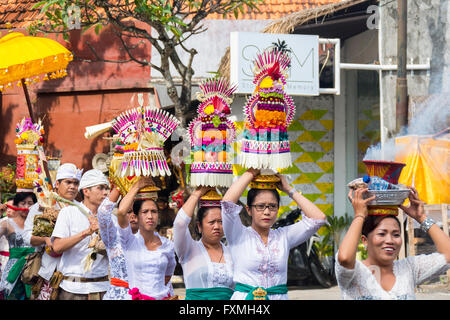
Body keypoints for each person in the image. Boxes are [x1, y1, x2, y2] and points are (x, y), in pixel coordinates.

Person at [221, 169, 327, 300]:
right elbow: (227, 204)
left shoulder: (283, 237)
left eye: (272, 206)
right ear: (249, 210)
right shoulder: (238, 234)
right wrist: (250, 173)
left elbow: (319, 218)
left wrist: (289, 189)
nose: (267, 212)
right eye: (260, 206)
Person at [336, 186, 450, 300]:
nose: (390, 240)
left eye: (396, 234)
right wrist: (359, 216)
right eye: (381, 234)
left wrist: (422, 218)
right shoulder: (354, 273)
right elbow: (345, 258)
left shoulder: (409, 268)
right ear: (365, 241)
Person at [23, 163, 82, 300]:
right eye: (68, 182)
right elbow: (26, 236)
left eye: (76, 183)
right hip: (48, 269)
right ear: (57, 184)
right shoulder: (42, 205)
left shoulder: (82, 209)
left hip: (75, 272)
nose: (72, 187)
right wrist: (45, 240)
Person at [51, 169, 110, 300]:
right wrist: (86, 232)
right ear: (86, 191)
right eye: (100, 188)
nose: (105, 192)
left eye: (106, 188)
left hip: (103, 288)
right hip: (73, 288)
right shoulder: (68, 213)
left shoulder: (110, 217)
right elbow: (57, 246)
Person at [117, 177, 176, 300]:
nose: (150, 216)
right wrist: (136, 187)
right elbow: (122, 212)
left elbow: (167, 277)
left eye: (154, 212)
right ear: (136, 217)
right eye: (145, 212)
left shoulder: (167, 245)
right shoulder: (129, 240)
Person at [173, 186, 234, 300]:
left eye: (221, 222)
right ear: (199, 226)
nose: (216, 226)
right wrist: (198, 192)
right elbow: (180, 223)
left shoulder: (232, 252)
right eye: (211, 222)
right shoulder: (189, 249)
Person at [97, 185, 131, 300]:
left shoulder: (152, 240)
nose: (133, 216)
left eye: (141, 211)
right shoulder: (113, 237)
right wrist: (120, 186)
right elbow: (103, 213)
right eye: (128, 211)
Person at [0, 192, 37, 300]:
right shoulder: (7, 223)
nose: (26, 207)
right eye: (23, 203)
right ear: (16, 205)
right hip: (14, 270)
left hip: (34, 269)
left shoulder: (40, 223)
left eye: (30, 203)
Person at [0, 197, 15, 276]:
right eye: (7, 207)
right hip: (2, 259)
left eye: (12, 207)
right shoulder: (3, 221)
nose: (9, 210)